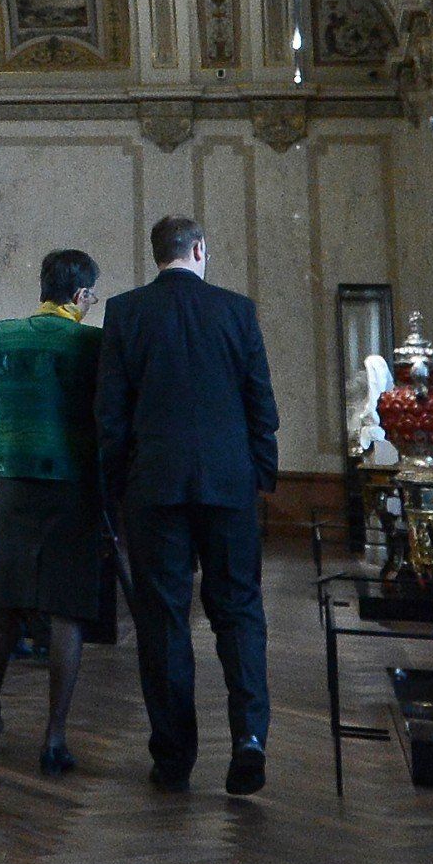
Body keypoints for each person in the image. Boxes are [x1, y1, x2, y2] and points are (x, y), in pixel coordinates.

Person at [97, 213, 277, 793]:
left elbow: (111, 415)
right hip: (229, 484)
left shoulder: (125, 312)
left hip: (154, 486)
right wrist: (261, 478)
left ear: (158, 255)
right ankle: (249, 738)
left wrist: (115, 488)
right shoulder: (236, 310)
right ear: (199, 250)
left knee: (164, 619)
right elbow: (261, 404)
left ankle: (174, 756)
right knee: (239, 609)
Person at [0, 248, 110, 774]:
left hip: (16, 483)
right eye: (91, 296)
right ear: (80, 296)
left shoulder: (4, 334)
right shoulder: (92, 342)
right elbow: (102, 419)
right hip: (72, 486)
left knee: (7, 600)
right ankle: (54, 737)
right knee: (66, 613)